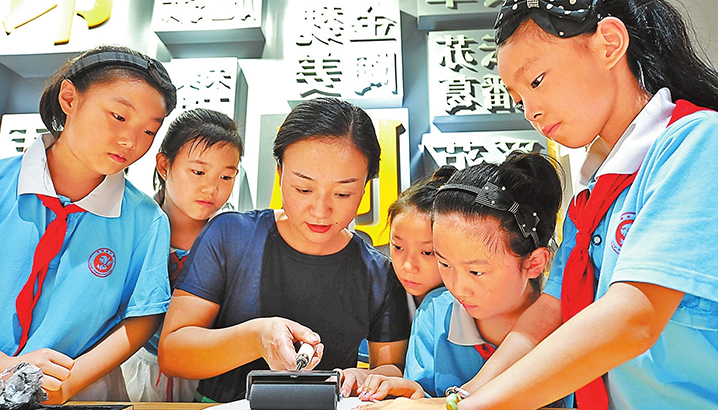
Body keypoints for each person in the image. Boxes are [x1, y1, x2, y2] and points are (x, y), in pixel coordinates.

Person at [359, 0, 718, 409]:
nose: (531, 111)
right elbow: (550, 311)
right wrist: (459, 399)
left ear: (609, 44)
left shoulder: (696, 142)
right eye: (517, 99)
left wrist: (462, 408)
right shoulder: (592, 195)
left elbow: (634, 317)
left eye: (537, 81)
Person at [158, 97, 411, 403]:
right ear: (279, 173)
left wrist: (365, 378)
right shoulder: (231, 236)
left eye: (343, 193)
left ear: (366, 185)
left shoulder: (379, 273)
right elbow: (173, 354)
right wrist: (256, 338)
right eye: (303, 189)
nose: (320, 210)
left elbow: (391, 368)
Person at [0, 45, 177, 404]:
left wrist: (67, 383)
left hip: (74, 396)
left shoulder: (146, 220)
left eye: (148, 131)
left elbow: (142, 318)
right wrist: (5, 366)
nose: (131, 141)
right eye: (119, 116)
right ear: (69, 98)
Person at [356, 152, 569, 408]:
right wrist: (416, 394)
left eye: (475, 272)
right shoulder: (436, 312)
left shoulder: (571, 323)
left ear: (534, 263)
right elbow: (424, 397)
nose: (456, 287)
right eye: (444, 263)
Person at [121, 108, 243, 402]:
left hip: (211, 374)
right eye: (198, 172)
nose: (211, 187)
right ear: (164, 165)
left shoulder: (238, 237)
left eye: (226, 176)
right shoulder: (131, 226)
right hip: (135, 368)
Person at [386, 165, 455, 315]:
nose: (408, 266)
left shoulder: (470, 304)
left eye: (427, 252)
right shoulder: (378, 288)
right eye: (398, 247)